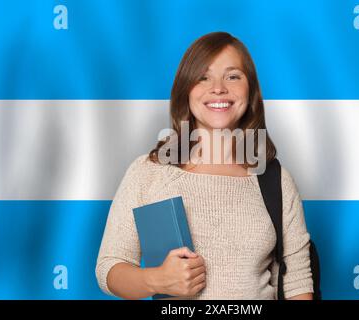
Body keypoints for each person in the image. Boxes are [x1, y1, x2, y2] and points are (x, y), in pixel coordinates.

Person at [95, 31, 313, 300]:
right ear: (186, 90)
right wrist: (156, 279)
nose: (218, 88)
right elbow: (109, 267)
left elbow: (297, 282)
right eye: (203, 77)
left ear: (251, 91)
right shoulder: (148, 172)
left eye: (233, 76)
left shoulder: (274, 181)